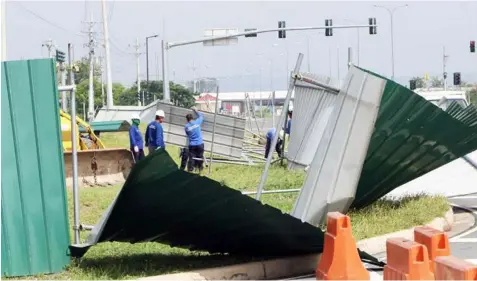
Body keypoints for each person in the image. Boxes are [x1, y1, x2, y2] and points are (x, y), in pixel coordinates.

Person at [184, 106, 205, 173]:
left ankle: (190, 170)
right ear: (192, 118)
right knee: (200, 157)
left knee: (191, 158)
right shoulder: (197, 122)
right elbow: (201, 116)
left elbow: (187, 134)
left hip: (192, 145)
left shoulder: (186, 127)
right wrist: (196, 110)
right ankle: (200, 169)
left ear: (187, 120)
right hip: (199, 144)